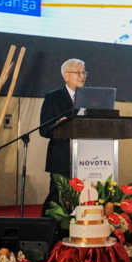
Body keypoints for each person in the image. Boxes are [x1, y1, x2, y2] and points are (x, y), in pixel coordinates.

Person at [39, 58, 87, 216]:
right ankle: (48, 227)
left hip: (86, 157)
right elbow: (44, 130)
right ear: (66, 76)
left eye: (84, 73)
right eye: (78, 73)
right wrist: (59, 127)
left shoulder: (89, 98)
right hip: (61, 156)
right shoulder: (53, 97)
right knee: (56, 197)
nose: (82, 76)